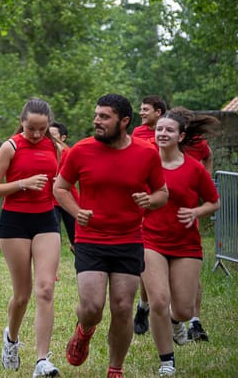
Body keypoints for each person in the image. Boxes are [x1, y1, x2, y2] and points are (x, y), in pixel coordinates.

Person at [54, 93, 168, 378]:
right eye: (96, 116)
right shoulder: (80, 150)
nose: (97, 121)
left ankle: (115, 368)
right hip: (91, 239)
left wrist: (150, 201)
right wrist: (76, 211)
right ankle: (84, 330)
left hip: (129, 239)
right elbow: (60, 188)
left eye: (104, 117)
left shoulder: (146, 153)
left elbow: (162, 193)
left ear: (124, 121)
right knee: (92, 306)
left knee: (122, 307)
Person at [142, 108, 220, 376]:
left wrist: (196, 212)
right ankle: (167, 361)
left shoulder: (194, 169)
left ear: (180, 136)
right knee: (159, 301)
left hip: (186, 243)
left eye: (169, 130)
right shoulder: (145, 164)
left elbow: (214, 201)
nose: (162, 133)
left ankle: (177, 322)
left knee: (185, 309)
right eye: (159, 129)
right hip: (150, 239)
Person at [0, 98, 61, 377]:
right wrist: (22, 184)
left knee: (45, 289)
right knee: (22, 294)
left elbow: (61, 185)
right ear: (22, 122)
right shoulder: (10, 146)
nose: (36, 134)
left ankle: (42, 360)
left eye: (42, 129)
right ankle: (11, 340)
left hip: (46, 221)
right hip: (14, 223)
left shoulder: (54, 147)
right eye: (31, 128)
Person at [131, 96, 168, 335]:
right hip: (143, 201)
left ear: (159, 111)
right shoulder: (138, 131)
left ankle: (185, 315)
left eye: (145, 110)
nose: (141, 113)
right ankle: (145, 305)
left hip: (166, 197)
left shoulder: (171, 131)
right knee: (147, 254)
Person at [49, 122, 77, 256]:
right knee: (53, 235)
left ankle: (82, 261)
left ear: (63, 137)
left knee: (76, 236)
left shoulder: (70, 153)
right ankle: (52, 272)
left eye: (53, 135)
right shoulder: (45, 152)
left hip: (68, 197)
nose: (49, 137)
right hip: (50, 199)